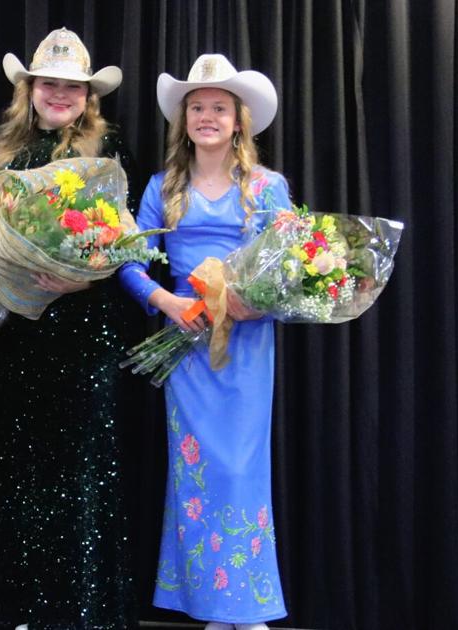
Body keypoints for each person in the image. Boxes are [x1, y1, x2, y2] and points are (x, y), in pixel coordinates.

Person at [0, 27, 137, 630]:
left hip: (82, 336)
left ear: (88, 97)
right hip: (13, 338)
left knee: (78, 472)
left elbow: (122, 241)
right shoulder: (1, 154)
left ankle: (80, 611)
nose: (59, 94)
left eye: (72, 87)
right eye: (49, 84)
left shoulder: (108, 150)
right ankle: (19, 608)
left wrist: (83, 276)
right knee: (16, 470)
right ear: (29, 90)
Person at [118, 54, 291, 630]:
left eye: (219, 107)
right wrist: (165, 302)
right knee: (195, 474)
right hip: (186, 347)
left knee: (241, 469)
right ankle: (213, 607)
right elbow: (131, 261)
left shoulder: (267, 187)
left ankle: (246, 606)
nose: (207, 116)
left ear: (238, 120)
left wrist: (252, 301)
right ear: (184, 119)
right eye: (197, 107)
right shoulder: (162, 187)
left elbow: (290, 266)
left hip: (245, 346)